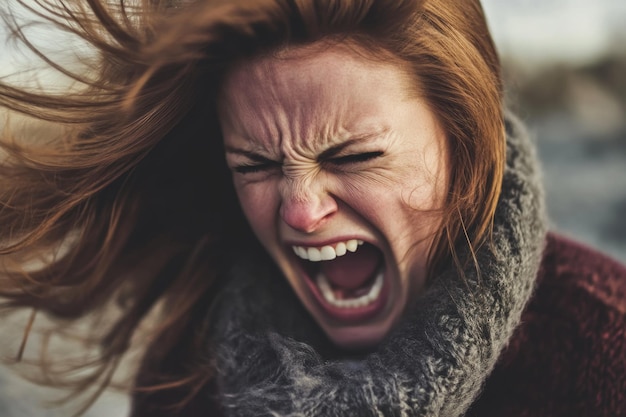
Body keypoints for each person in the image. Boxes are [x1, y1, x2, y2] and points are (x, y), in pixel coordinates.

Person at [1, 0, 624, 416]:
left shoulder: (605, 358)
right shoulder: (185, 377)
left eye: (353, 157)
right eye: (256, 166)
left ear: (465, 145)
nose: (299, 212)